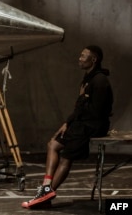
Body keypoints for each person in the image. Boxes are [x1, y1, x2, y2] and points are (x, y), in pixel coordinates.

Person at [21, 45, 113, 209]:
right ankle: (46, 187)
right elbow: (79, 107)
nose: (80, 58)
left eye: (84, 56)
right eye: (80, 55)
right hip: (81, 122)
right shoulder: (88, 78)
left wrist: (82, 101)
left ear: (94, 60)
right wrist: (68, 123)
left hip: (93, 125)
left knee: (66, 157)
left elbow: (96, 113)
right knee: (53, 144)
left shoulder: (100, 81)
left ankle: (46, 193)